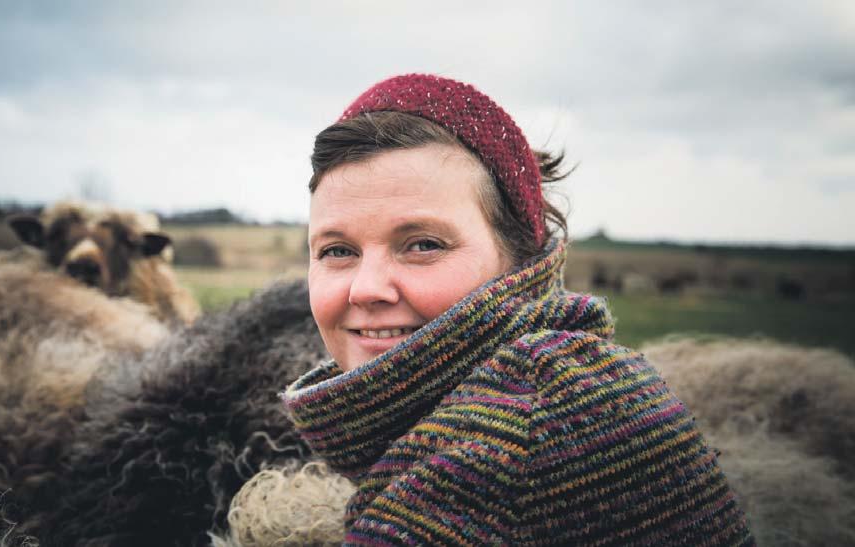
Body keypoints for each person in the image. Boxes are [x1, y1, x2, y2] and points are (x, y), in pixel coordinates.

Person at [281, 74, 754, 545]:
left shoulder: (526, 431)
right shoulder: (552, 387)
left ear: (520, 259)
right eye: (337, 251)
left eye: (423, 245)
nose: (366, 289)